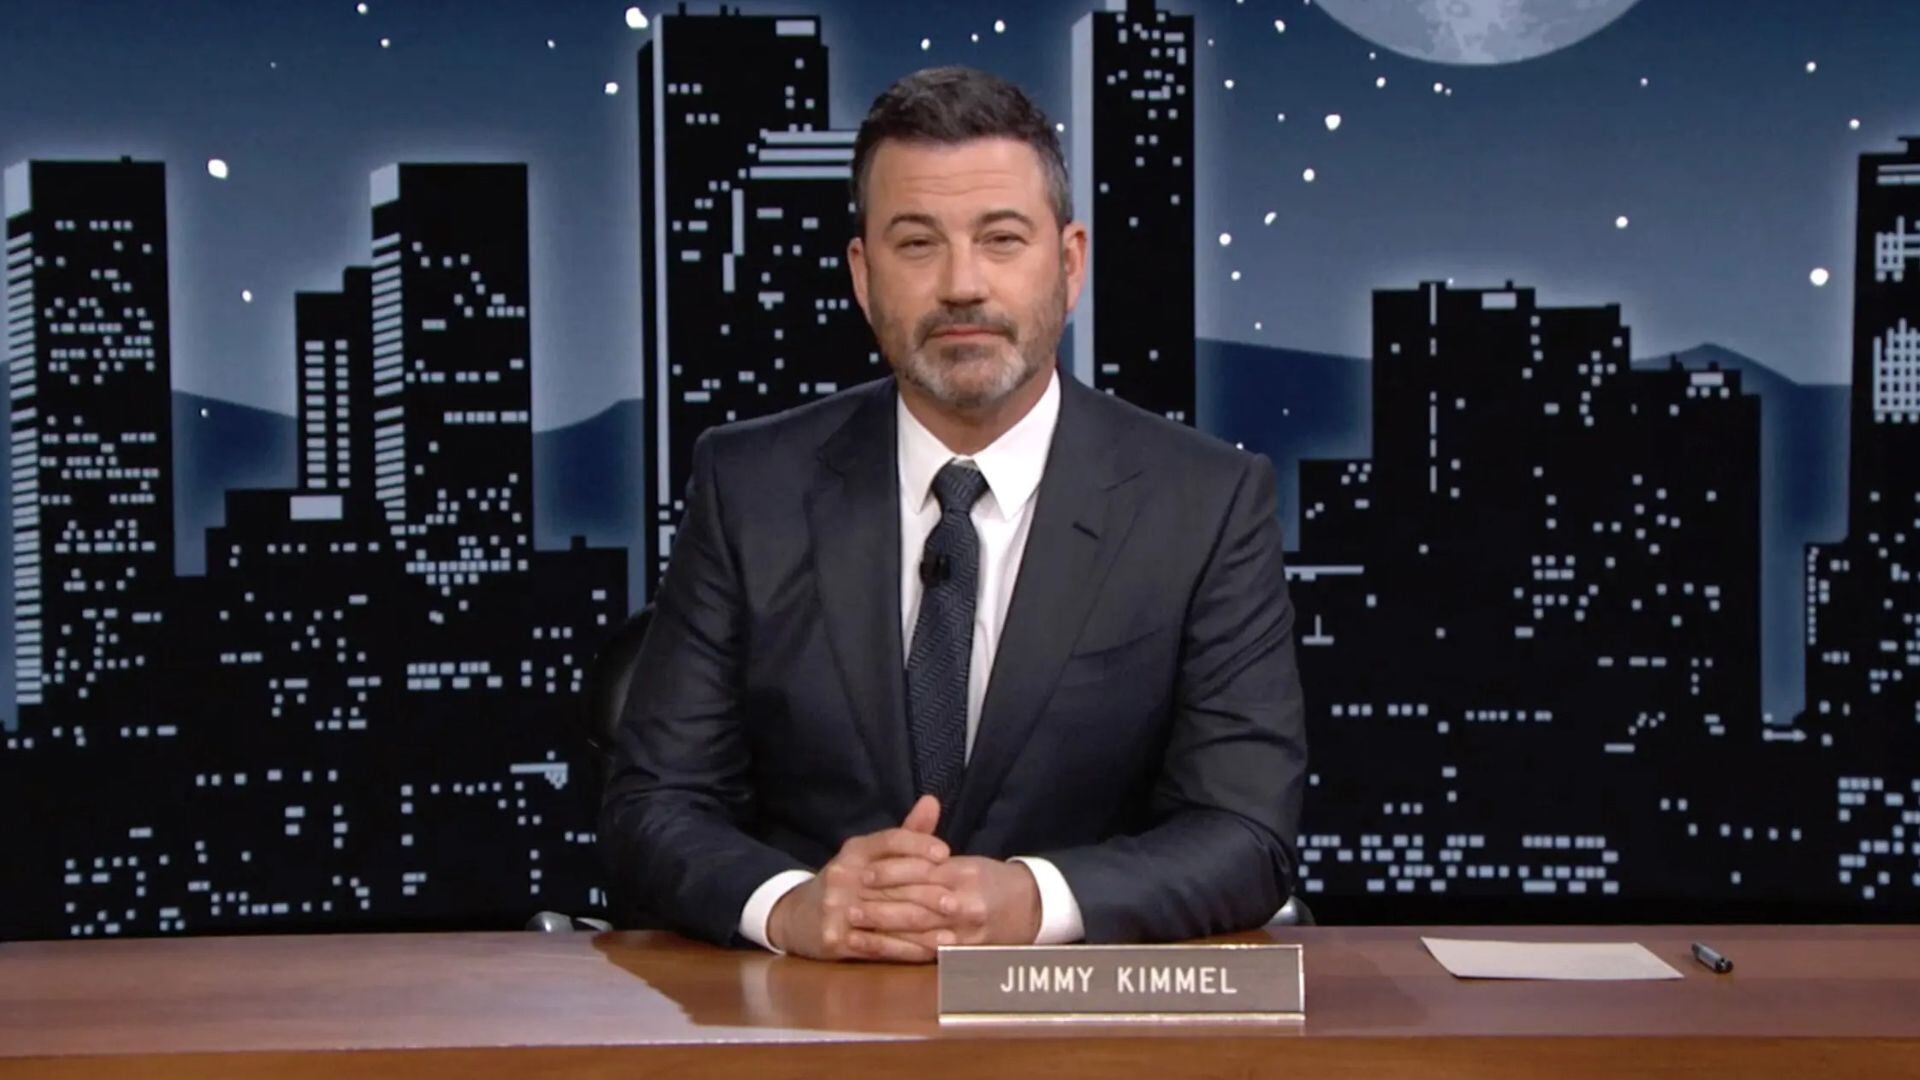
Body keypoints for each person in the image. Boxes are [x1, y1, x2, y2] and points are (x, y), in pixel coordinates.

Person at [600, 66, 1307, 963]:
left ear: (1070, 263)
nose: (962, 284)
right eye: (917, 244)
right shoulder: (750, 486)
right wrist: (791, 906)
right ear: (863, 276)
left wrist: (1033, 900)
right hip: (814, 1012)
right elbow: (653, 805)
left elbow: (1245, 830)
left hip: (1083, 1018)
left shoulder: (1205, 503)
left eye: (1002, 239)